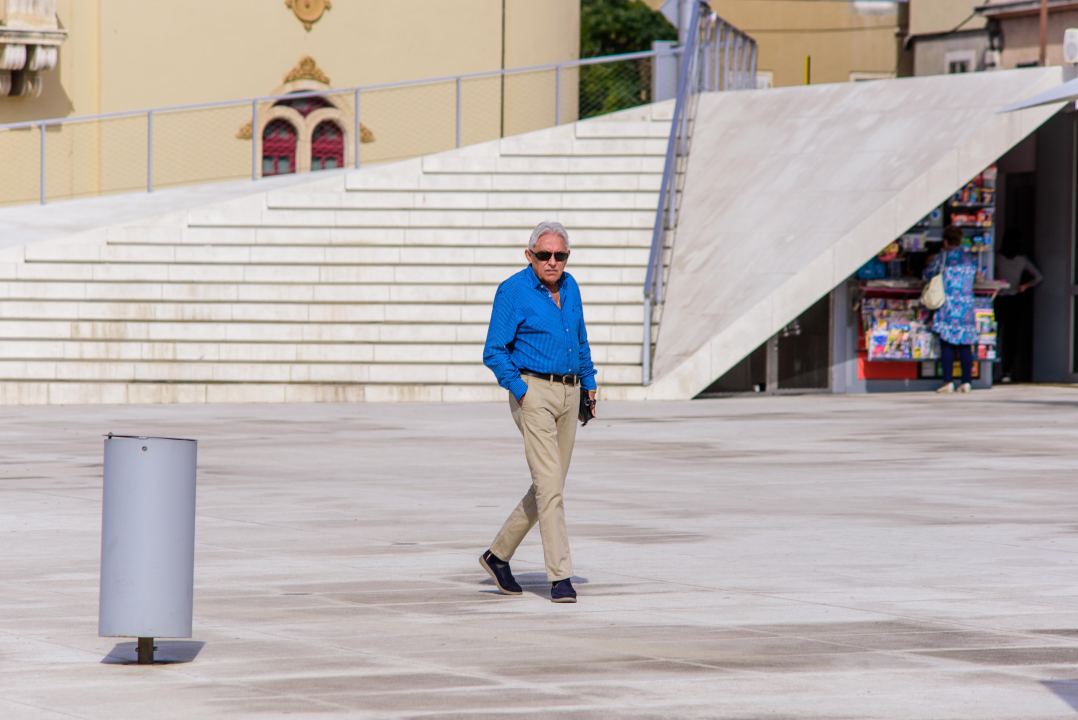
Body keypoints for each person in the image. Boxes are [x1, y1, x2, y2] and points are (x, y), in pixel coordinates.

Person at [480, 221, 597, 604]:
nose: (552, 262)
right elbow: (494, 351)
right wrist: (522, 391)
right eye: (544, 254)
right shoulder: (513, 291)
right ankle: (560, 577)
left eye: (559, 255)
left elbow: (579, 338)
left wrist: (589, 383)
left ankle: (497, 556)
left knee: (550, 486)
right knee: (551, 490)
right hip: (534, 393)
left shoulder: (571, 286)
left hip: (570, 391)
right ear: (529, 255)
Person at [924, 225, 979, 393]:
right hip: (966, 304)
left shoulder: (942, 257)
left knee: (947, 342)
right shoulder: (970, 257)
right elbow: (975, 275)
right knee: (965, 343)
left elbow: (928, 274)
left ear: (945, 241)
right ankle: (966, 382)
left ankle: (948, 381)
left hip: (948, 303)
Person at [994, 228, 1042, 382]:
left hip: (999, 298)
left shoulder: (997, 258)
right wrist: (1024, 286)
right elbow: (1038, 276)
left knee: (993, 334)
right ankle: (1006, 372)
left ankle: (990, 368)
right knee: (1011, 337)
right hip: (1014, 299)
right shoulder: (1022, 260)